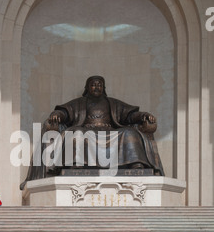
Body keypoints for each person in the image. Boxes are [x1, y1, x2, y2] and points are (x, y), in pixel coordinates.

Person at [20, 75, 164, 189]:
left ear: (104, 87)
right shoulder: (79, 103)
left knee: (130, 133)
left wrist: (143, 115)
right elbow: (65, 112)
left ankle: (135, 164)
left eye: (100, 84)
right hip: (86, 131)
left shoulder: (113, 103)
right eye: (94, 84)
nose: (97, 87)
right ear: (87, 87)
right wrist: (57, 114)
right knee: (75, 134)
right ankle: (76, 164)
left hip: (110, 132)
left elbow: (130, 115)